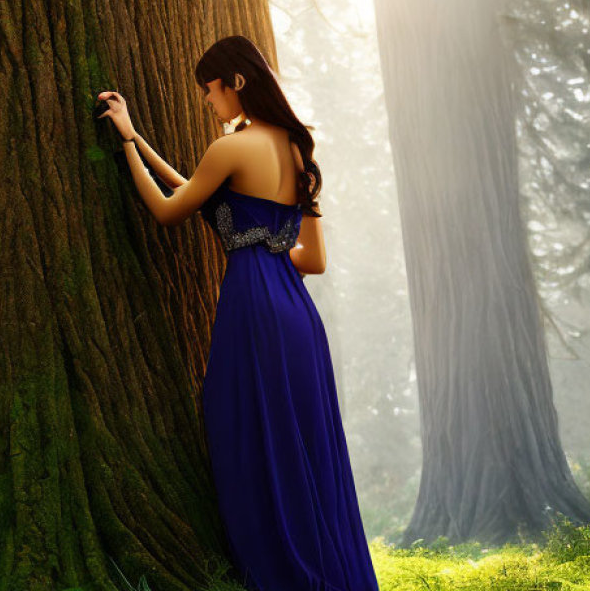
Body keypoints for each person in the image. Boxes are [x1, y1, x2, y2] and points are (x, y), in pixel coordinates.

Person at [96, 35, 379, 590]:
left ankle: (273, 569)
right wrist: (264, 244)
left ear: (236, 83)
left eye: (209, 89)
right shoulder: (298, 151)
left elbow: (169, 210)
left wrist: (126, 142)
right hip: (297, 315)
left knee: (246, 432)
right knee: (301, 444)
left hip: (251, 308)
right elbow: (312, 260)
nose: (207, 100)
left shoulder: (230, 148)